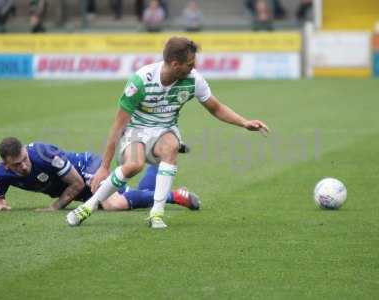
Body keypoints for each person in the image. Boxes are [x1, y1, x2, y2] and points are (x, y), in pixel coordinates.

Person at [66, 36, 269, 229]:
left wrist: (244, 122)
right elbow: (118, 125)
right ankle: (88, 207)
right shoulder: (140, 82)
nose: (194, 67)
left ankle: (156, 213)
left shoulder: (194, 80)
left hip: (165, 131)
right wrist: (104, 167)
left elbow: (216, 108)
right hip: (136, 131)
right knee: (134, 165)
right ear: (174, 64)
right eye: (190, 64)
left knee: (171, 146)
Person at [0, 137, 199, 212]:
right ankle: (160, 155)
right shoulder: (3, 173)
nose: (24, 166)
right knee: (138, 195)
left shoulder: (43, 154)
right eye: (17, 165)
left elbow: (77, 183)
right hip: (80, 191)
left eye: (25, 159)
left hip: (87, 168)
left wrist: (55, 207)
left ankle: (175, 196)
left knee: (113, 204)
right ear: (6, 165)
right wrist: (0, 205)